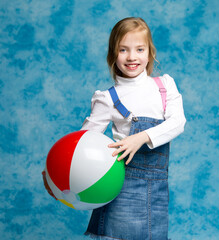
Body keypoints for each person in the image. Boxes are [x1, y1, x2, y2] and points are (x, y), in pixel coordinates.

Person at [43, 17, 186, 240]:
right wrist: (55, 175)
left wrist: (140, 138)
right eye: (123, 50)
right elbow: (81, 143)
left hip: (157, 191)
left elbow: (177, 123)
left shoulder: (165, 86)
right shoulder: (108, 98)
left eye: (140, 49)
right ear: (113, 55)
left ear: (150, 53)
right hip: (122, 190)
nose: (132, 57)